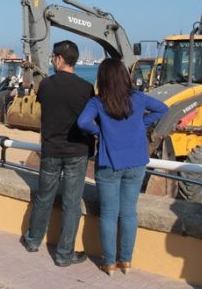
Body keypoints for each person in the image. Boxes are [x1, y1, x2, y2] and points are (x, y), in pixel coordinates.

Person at [77, 58, 168, 276]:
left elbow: (82, 122)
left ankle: (109, 263)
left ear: (103, 79)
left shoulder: (98, 102)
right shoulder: (138, 98)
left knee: (109, 213)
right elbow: (162, 109)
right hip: (136, 162)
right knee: (128, 213)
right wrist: (141, 125)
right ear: (125, 77)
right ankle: (126, 260)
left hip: (109, 163)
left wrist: (101, 132)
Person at [21, 40, 94, 267]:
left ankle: (33, 240)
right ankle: (64, 255)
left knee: (44, 196)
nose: (52, 60)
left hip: (51, 150)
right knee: (72, 204)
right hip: (77, 151)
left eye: (53, 56)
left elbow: (46, 108)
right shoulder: (86, 88)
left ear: (60, 58)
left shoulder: (46, 85)